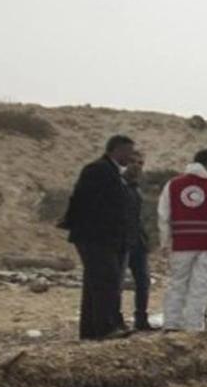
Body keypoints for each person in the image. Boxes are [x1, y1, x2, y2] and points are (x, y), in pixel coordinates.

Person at [60, 134, 137, 340]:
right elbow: (87, 203)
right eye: (128, 152)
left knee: (97, 283)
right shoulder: (98, 170)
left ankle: (92, 330)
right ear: (116, 150)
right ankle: (106, 328)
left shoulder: (114, 173)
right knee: (106, 281)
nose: (131, 157)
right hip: (97, 237)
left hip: (105, 237)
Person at [157, 149, 207, 331]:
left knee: (177, 283)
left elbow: (164, 216)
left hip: (181, 243)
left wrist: (165, 241)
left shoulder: (172, 185)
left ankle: (171, 323)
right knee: (201, 285)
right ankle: (194, 325)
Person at [121, 152, 153, 331]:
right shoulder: (118, 185)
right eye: (133, 162)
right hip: (122, 239)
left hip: (137, 240)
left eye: (140, 163)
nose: (137, 166)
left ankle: (141, 318)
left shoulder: (135, 187)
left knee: (143, 280)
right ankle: (115, 318)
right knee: (117, 281)